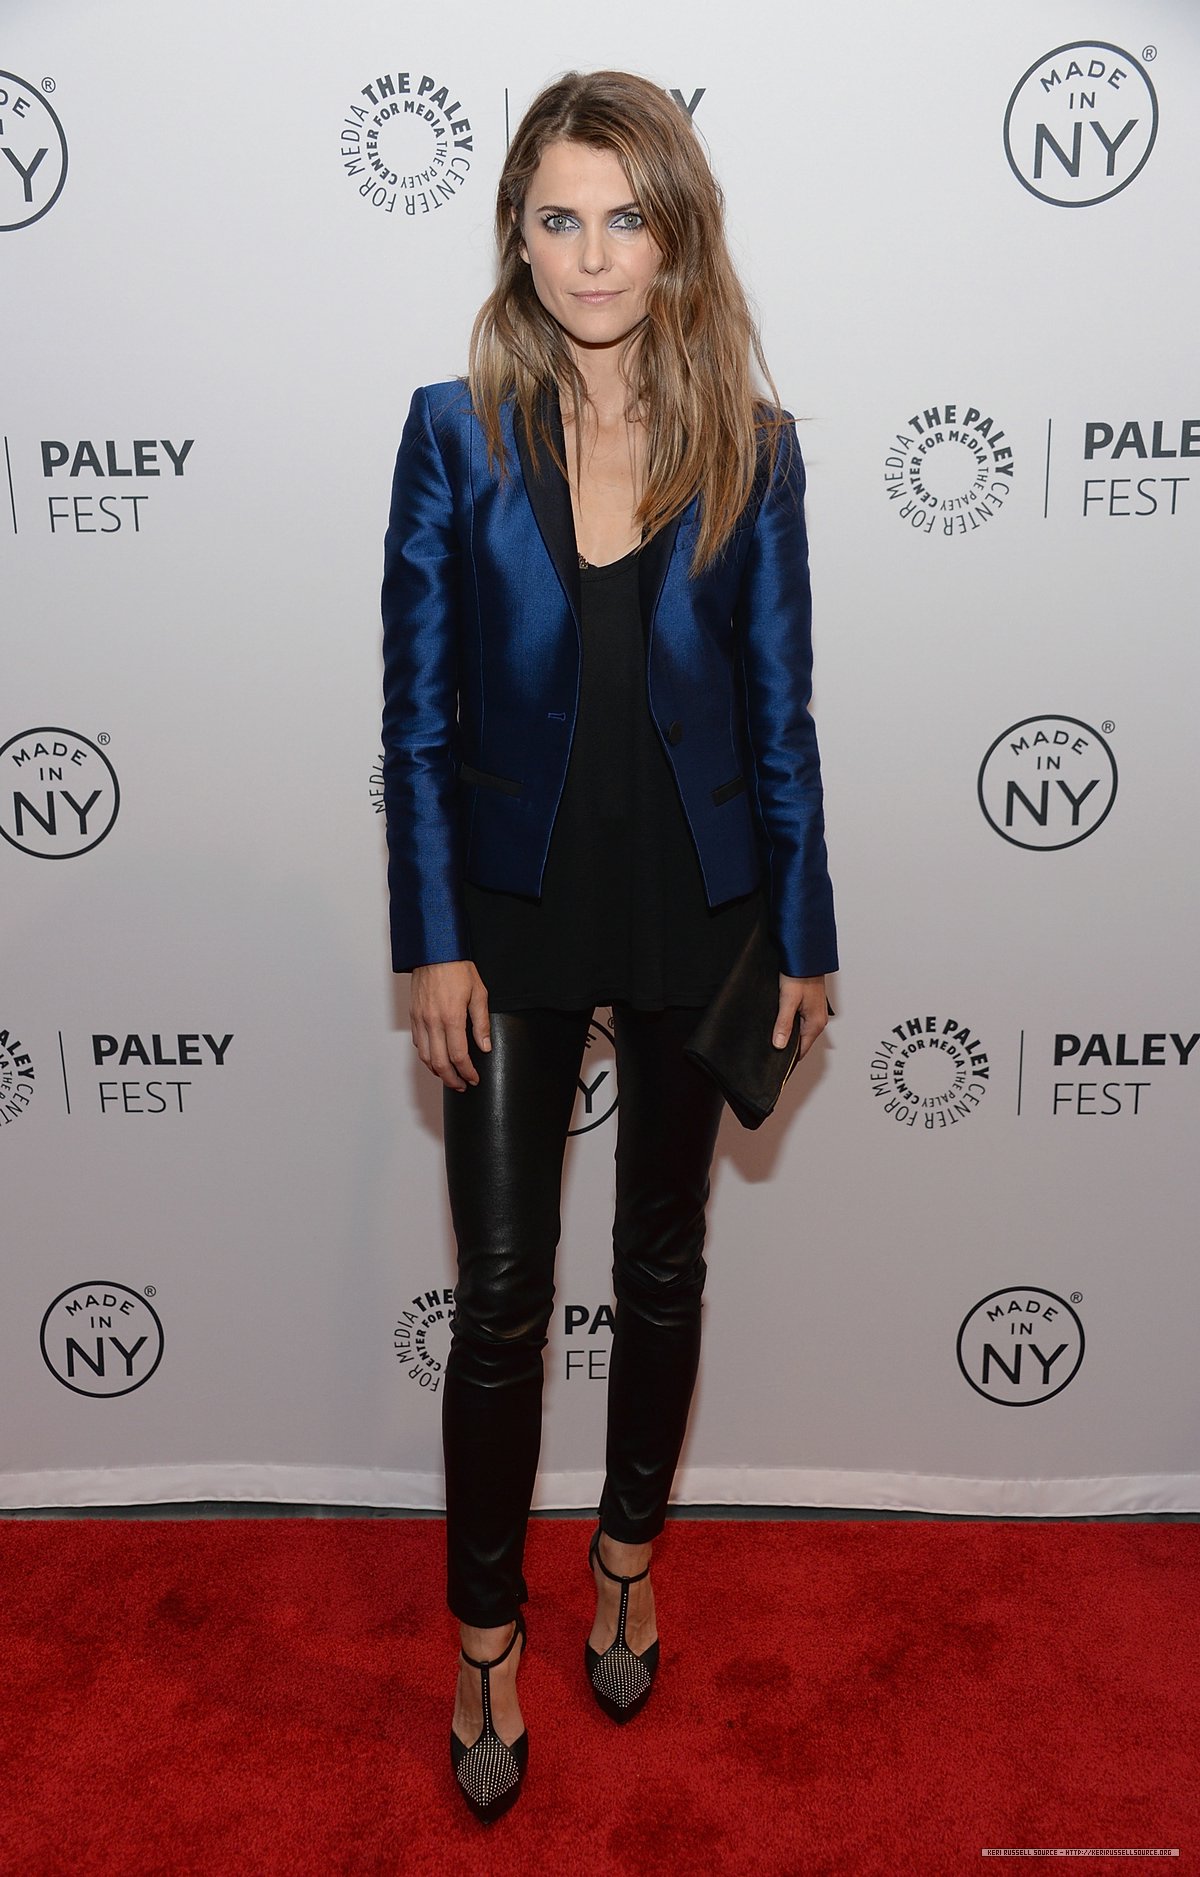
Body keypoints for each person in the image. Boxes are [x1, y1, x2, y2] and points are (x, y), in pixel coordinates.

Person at [380, 68, 837, 1823]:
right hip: (506, 915)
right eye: (557, 217)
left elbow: (782, 714)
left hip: (695, 910)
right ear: (518, 228)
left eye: (623, 217)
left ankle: (629, 1551)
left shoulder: (758, 444)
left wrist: (802, 921)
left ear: (677, 230)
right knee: (500, 1300)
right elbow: (418, 708)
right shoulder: (451, 426)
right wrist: (431, 934)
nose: (590, 254)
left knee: (661, 1265)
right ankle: (488, 1632)